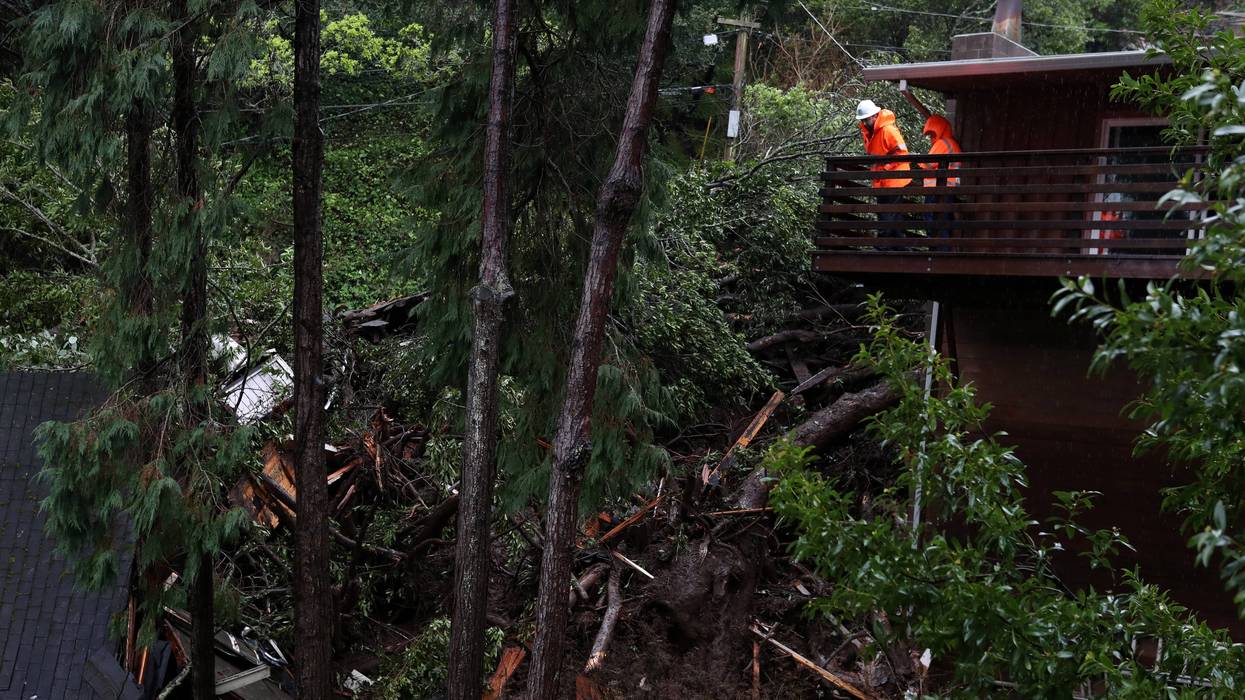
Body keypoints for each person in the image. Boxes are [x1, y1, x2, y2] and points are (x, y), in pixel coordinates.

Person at [856, 100, 911, 244]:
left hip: (894, 178)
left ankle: (884, 245)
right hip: (881, 179)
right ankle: (899, 247)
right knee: (888, 213)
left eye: (866, 120)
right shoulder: (868, 132)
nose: (865, 123)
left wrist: (886, 169)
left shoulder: (889, 130)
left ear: (875, 116)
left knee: (889, 213)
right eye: (863, 120)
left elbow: (902, 153)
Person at [917, 114, 961, 245]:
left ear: (939, 130)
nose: (931, 138)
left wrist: (915, 163)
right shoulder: (951, 143)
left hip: (939, 190)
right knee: (943, 222)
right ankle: (940, 252)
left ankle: (937, 252)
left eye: (932, 134)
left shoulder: (943, 143)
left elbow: (928, 164)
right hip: (949, 189)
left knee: (934, 223)